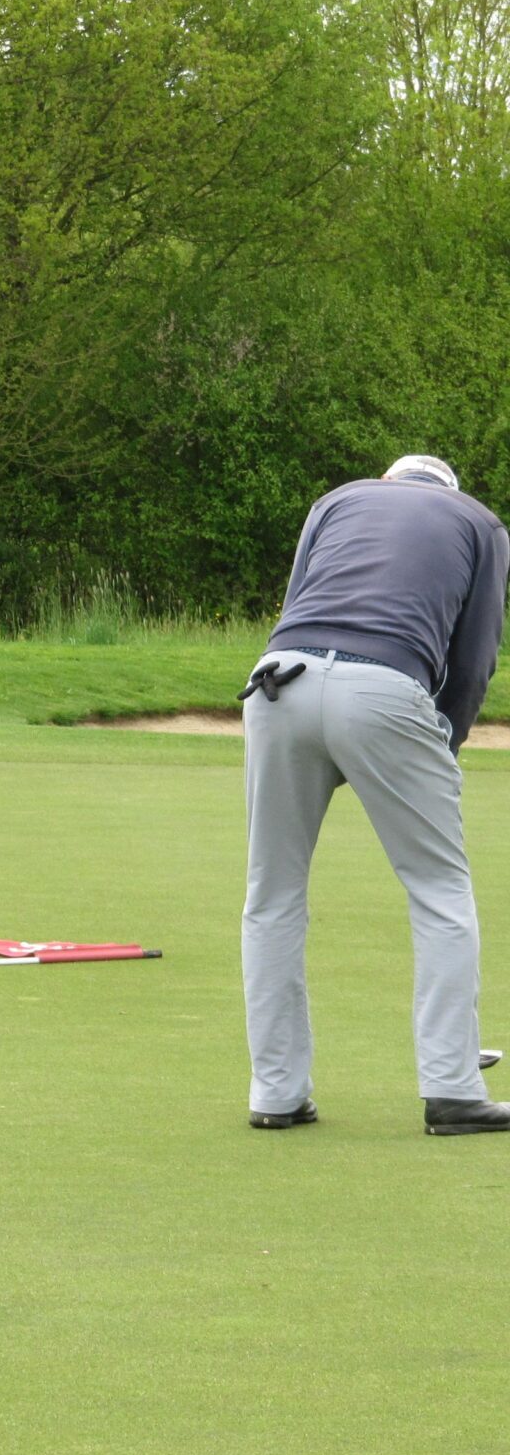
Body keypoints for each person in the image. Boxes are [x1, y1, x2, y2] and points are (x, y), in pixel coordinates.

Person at [241, 453, 510, 1136]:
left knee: (272, 894)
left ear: (388, 483)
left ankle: (276, 1093)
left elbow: (297, 603)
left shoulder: (337, 499)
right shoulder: (481, 523)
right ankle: (452, 1089)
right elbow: (474, 659)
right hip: (386, 686)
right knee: (440, 890)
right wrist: (444, 743)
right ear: (450, 491)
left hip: (277, 681)